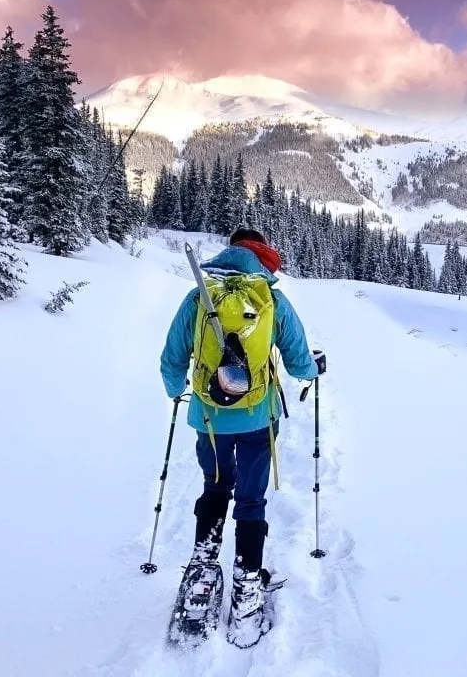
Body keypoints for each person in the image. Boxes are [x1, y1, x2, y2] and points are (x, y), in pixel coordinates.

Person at [159, 227, 324, 638]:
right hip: (257, 418)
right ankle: (248, 581)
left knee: (215, 486)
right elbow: (299, 359)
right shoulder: (271, 299)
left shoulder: (200, 295)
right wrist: (314, 370)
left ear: (228, 251)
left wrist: (178, 390)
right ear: (261, 255)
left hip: (209, 419)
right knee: (251, 499)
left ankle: (201, 568)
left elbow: (171, 359)